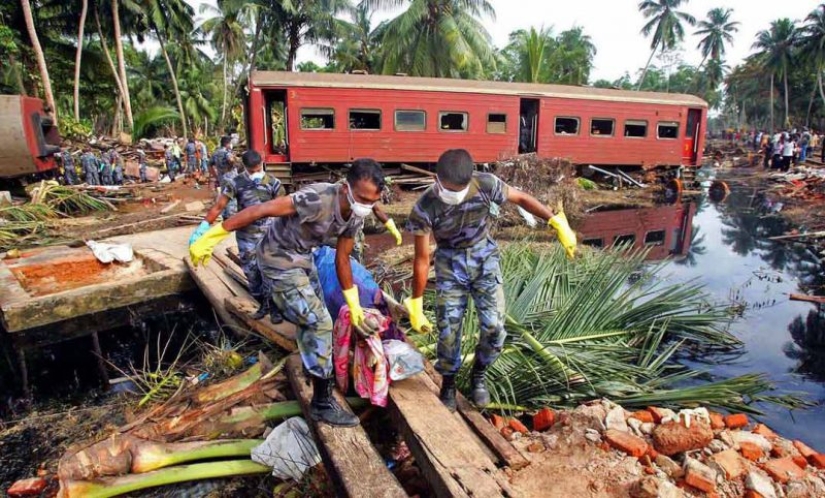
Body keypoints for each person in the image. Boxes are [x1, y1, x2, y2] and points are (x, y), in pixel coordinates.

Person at [190, 158, 385, 427]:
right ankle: (321, 403)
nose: (365, 206)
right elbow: (261, 210)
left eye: (371, 201)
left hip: (304, 257)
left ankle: (312, 365)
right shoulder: (317, 199)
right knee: (319, 323)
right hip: (277, 258)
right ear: (345, 188)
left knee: (317, 314)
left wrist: (353, 306)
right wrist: (213, 235)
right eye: (361, 198)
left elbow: (342, 260)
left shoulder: (355, 216)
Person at [403, 149, 576, 411]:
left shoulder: (485, 184)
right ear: (437, 179)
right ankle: (448, 383)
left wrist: (555, 221)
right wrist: (416, 301)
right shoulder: (425, 206)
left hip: (484, 259)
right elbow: (421, 257)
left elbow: (521, 197)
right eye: (445, 189)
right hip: (450, 263)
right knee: (448, 330)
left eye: (456, 190)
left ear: (468, 180)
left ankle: (479, 375)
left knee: (495, 327)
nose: (450, 194)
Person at [190, 150, 286, 324]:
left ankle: (275, 308)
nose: (256, 173)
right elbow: (219, 206)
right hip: (246, 235)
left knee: (271, 270)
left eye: (258, 169)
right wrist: (204, 226)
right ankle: (262, 304)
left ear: (262, 163)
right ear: (245, 168)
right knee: (252, 271)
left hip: (269, 234)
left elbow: (283, 208)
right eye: (252, 170)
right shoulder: (235, 183)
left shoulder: (274, 183)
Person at [209, 136, 238, 220]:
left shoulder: (215, 153)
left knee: (224, 195)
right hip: (230, 176)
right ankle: (231, 215)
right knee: (231, 196)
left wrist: (215, 175)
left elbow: (210, 166)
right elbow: (231, 160)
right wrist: (233, 162)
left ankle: (224, 214)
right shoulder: (227, 152)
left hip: (222, 177)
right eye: (230, 143)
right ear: (227, 144)